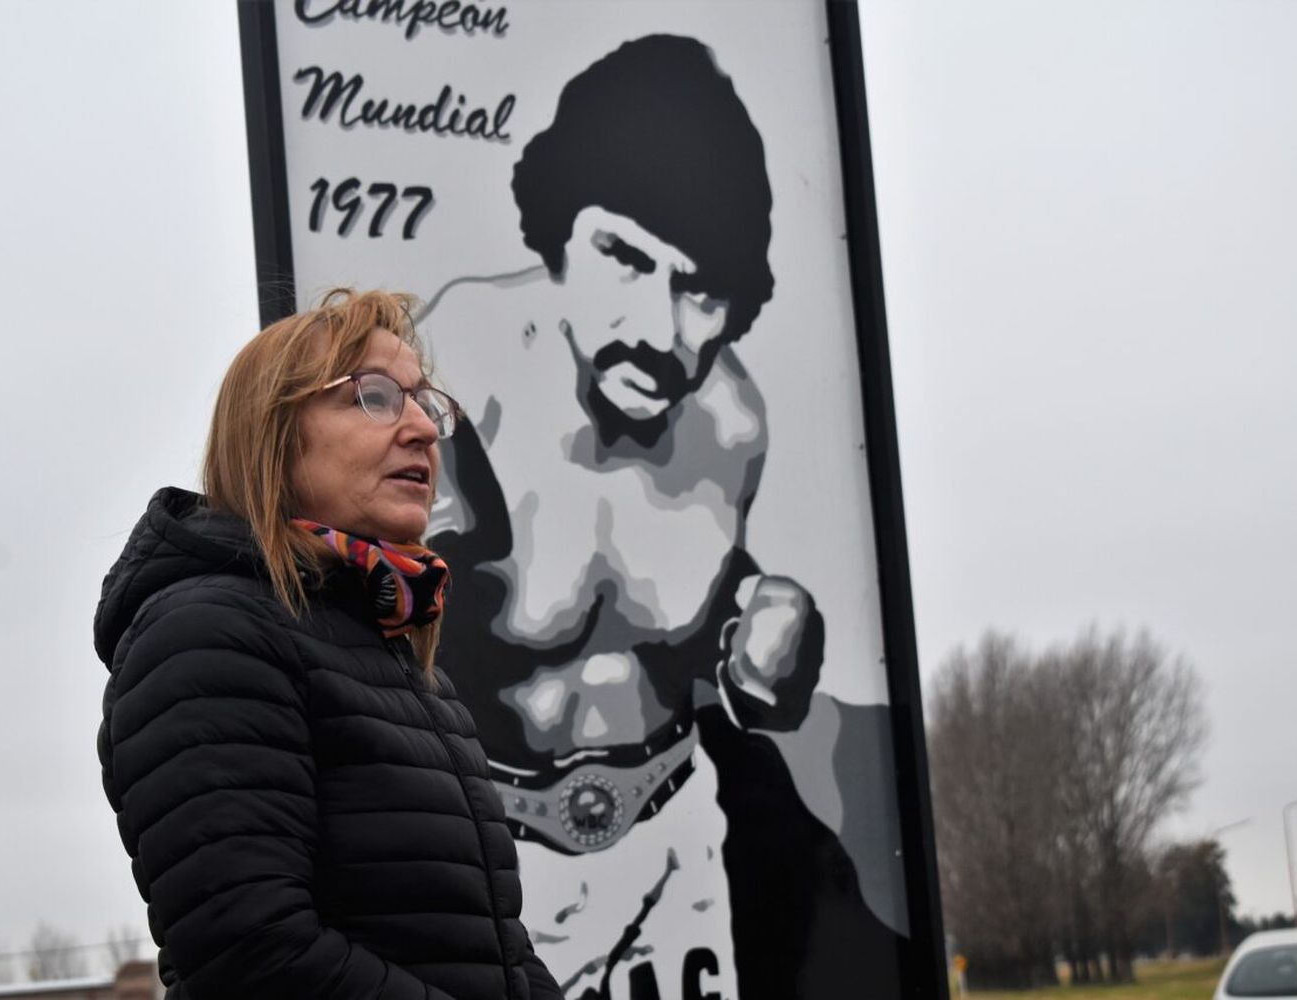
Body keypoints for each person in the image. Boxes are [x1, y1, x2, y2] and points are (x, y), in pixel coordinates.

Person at [419, 34, 905, 999]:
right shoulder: (451, 365)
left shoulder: (732, 420)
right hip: (487, 869)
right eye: (624, 257)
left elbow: (683, 640)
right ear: (558, 230)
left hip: (678, 845)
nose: (658, 328)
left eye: (700, 289)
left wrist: (761, 632)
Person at [93, 289, 565, 1000]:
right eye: (374, 397)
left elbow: (496, 944)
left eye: (424, 402)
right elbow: (255, 952)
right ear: (274, 435)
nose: (423, 430)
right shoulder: (205, 636)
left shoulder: (404, 666)